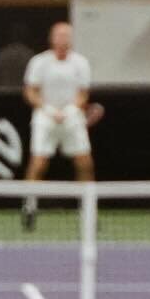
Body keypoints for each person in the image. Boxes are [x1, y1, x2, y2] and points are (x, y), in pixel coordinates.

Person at [20, 21, 95, 231]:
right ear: (52, 39)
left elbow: (83, 94)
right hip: (45, 117)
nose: (62, 39)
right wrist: (49, 110)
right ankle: (29, 207)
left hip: (72, 117)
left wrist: (70, 110)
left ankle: (87, 210)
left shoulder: (81, 63)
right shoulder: (39, 62)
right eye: (59, 35)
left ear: (71, 39)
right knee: (39, 163)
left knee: (85, 163)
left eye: (66, 35)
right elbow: (31, 91)